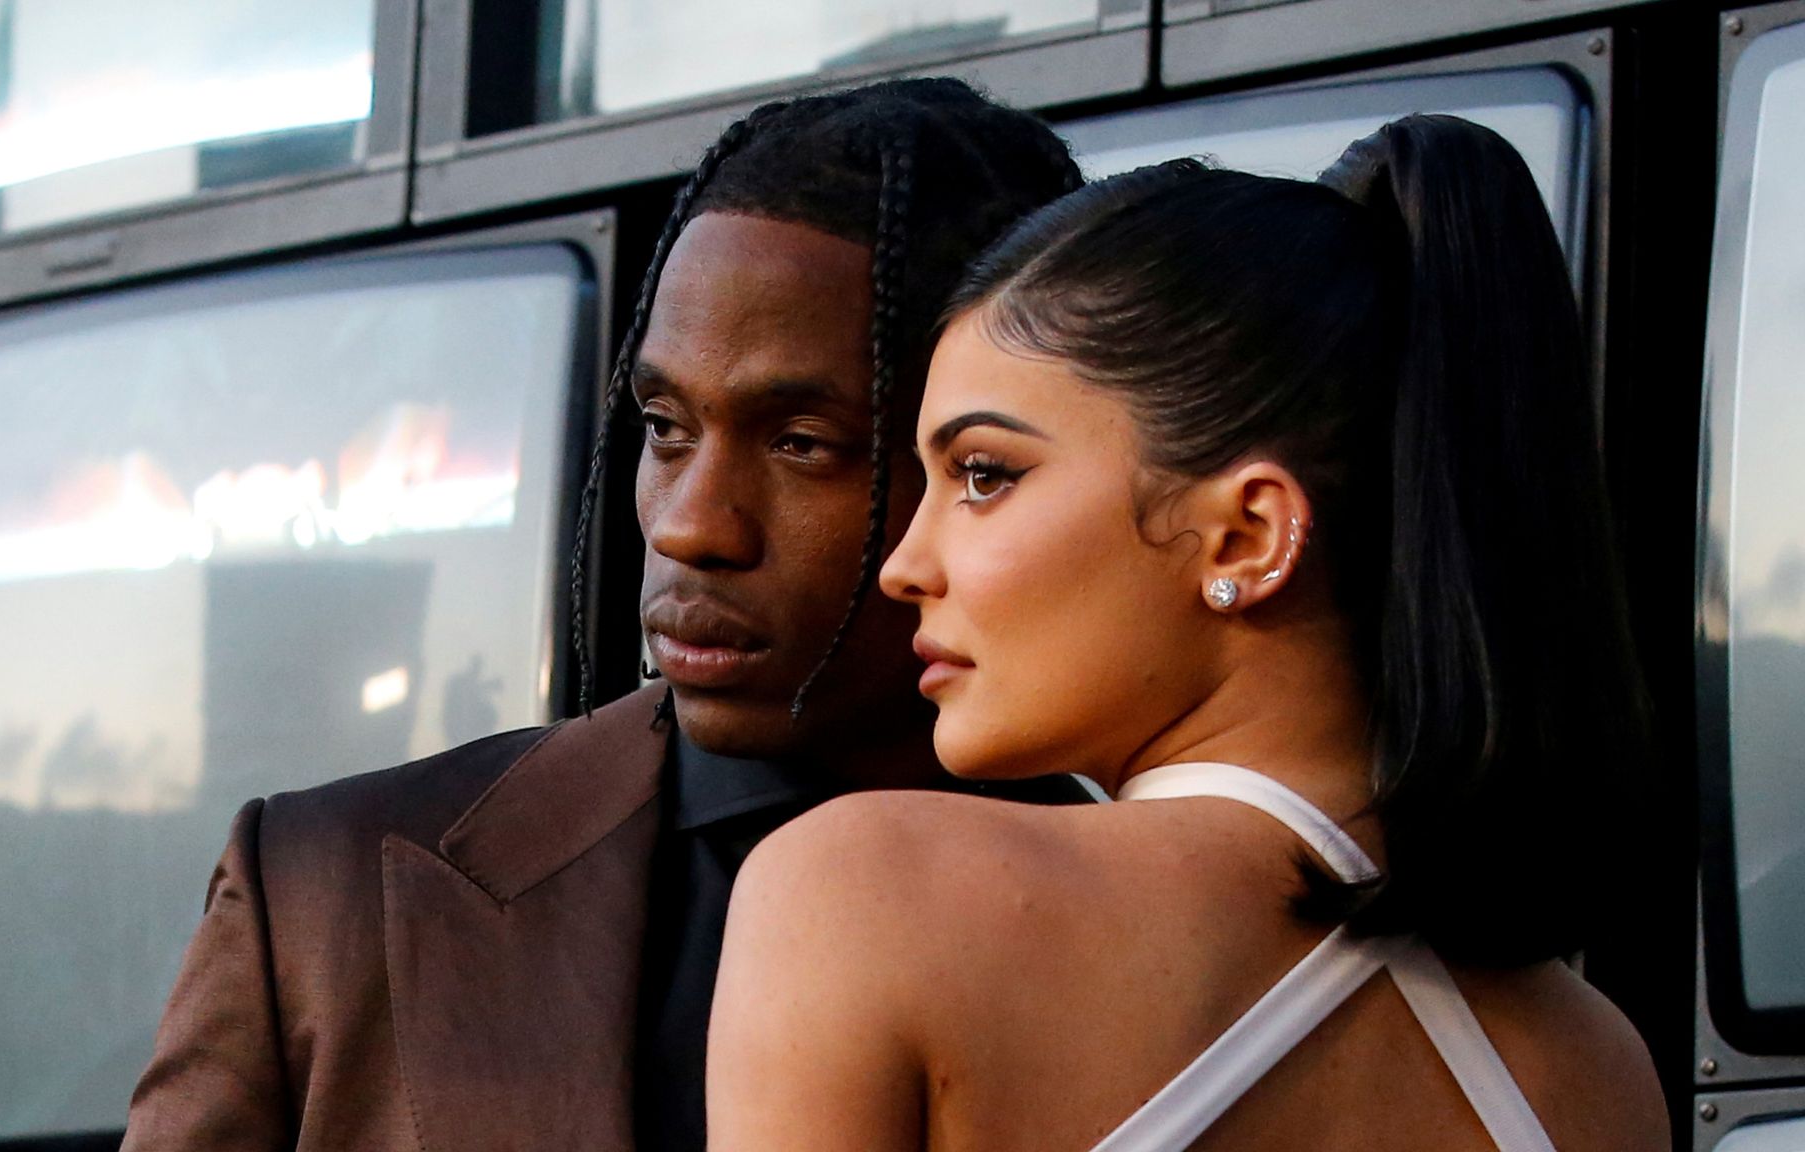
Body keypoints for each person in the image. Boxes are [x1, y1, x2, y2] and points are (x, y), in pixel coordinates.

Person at [121, 78, 1087, 1152]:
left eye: (800, 442)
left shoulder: (1172, 912)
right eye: (666, 427)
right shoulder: (322, 887)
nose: (687, 526)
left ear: (979, 468)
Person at [707, 115, 1670, 1152]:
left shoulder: (865, 894)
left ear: (1244, 535)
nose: (903, 564)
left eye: (984, 476)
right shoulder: (1589, 1067)